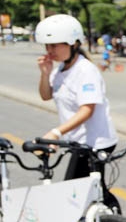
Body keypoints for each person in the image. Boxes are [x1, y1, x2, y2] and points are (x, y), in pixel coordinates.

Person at [34, 14, 120, 211]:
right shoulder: (61, 69)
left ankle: (113, 221)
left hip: (96, 143)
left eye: (54, 45)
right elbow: (46, 95)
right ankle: (110, 219)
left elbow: (87, 110)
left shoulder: (85, 71)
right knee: (87, 190)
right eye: (47, 46)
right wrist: (45, 73)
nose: (50, 50)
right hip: (78, 141)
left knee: (75, 191)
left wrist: (56, 133)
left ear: (72, 43)